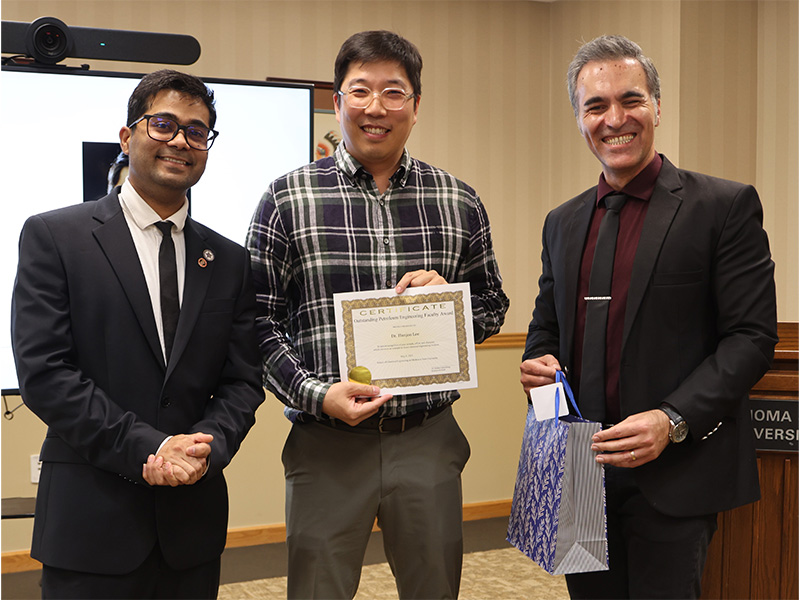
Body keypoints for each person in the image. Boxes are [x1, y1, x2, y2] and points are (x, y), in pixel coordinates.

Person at [247, 30, 509, 600]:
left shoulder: (457, 199)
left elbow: (492, 307)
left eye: (394, 92)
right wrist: (316, 394)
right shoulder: (287, 198)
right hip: (326, 441)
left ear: (415, 105)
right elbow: (256, 322)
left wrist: (449, 302)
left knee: (434, 589)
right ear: (338, 102)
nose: (376, 107)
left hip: (427, 438)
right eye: (359, 91)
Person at [520, 35, 777, 599]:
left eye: (630, 100)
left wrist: (672, 419)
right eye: (595, 106)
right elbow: (546, 328)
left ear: (657, 107)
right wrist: (535, 364)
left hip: (677, 471)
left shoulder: (723, 207)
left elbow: (751, 338)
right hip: (580, 476)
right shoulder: (561, 223)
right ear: (578, 119)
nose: (615, 119)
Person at [11, 69, 265, 599]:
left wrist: (207, 448)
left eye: (197, 132)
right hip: (89, 526)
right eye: (164, 124)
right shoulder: (55, 237)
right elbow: (45, 374)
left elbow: (243, 381)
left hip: (190, 529)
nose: (180, 140)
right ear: (128, 137)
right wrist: (152, 448)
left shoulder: (230, 261)